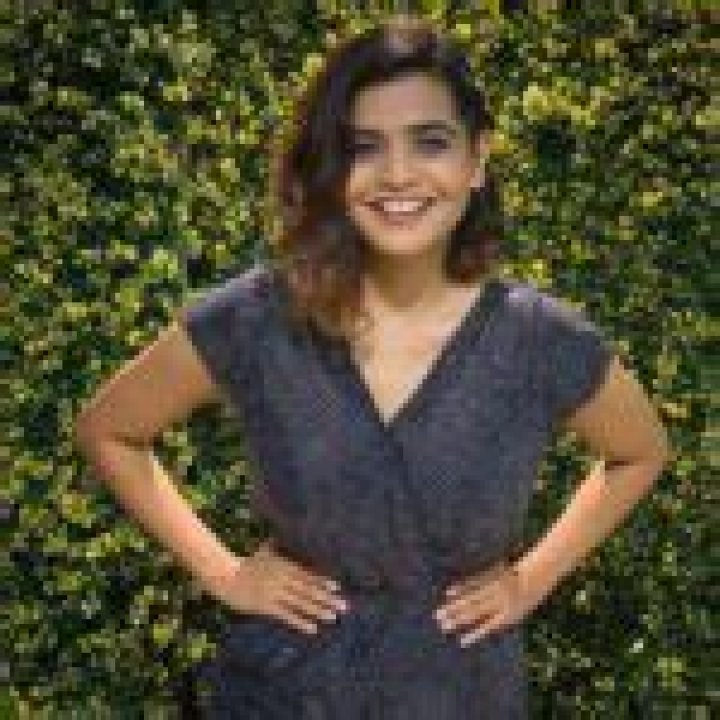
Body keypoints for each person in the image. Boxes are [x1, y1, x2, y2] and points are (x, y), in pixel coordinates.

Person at [74, 14, 673, 719]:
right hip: (282, 693)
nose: (398, 175)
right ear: (332, 169)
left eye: (431, 141)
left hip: (462, 695)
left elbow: (640, 451)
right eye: (364, 147)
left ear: (477, 160)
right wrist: (225, 572)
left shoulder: (540, 340)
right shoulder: (258, 318)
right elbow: (110, 429)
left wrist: (532, 579)